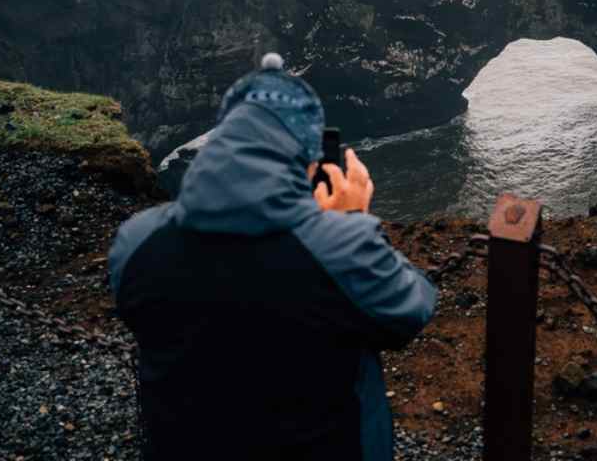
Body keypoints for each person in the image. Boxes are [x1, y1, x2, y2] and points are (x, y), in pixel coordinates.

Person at [109, 53, 437, 461]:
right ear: (309, 156)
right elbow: (412, 307)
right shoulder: (339, 248)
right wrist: (352, 221)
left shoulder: (135, 242)